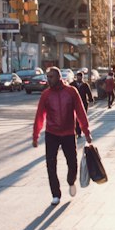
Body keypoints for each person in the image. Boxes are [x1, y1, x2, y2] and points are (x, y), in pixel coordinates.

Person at [32, 66, 92, 206]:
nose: (48, 80)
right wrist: (36, 135)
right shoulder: (46, 95)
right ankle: (55, 194)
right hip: (51, 133)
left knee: (72, 163)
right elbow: (40, 116)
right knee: (50, 164)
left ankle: (71, 181)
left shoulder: (71, 92)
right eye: (47, 77)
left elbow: (80, 112)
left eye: (51, 77)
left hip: (68, 133)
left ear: (59, 77)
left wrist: (86, 131)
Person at [71, 71, 94, 136]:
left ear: (82, 77)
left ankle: (79, 131)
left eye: (80, 77)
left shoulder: (85, 85)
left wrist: (91, 100)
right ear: (76, 77)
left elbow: (89, 93)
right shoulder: (72, 84)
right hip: (74, 103)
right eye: (78, 77)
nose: (79, 78)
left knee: (81, 117)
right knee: (75, 118)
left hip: (83, 103)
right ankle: (76, 130)